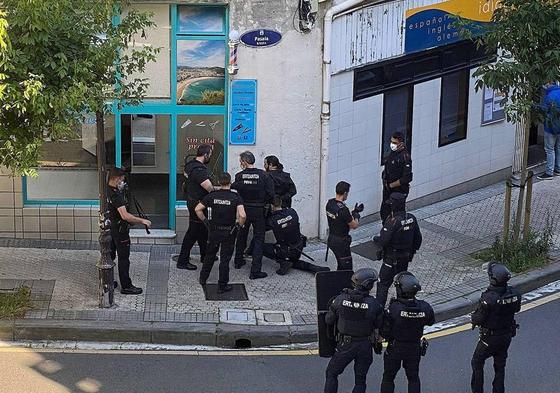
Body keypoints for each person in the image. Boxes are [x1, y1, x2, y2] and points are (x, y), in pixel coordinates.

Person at [324, 268, 384, 393]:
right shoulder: (374, 304)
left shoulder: (340, 299)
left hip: (345, 344)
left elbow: (328, 320)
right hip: (365, 345)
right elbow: (379, 325)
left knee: (331, 373)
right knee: (360, 380)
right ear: (369, 285)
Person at [379, 272, 435, 393]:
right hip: (414, 348)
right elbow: (431, 321)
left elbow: (385, 331)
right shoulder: (425, 307)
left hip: (395, 347)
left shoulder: (394, 309)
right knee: (413, 378)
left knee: (388, 378)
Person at [470, 262, 521, 393]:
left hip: (489, 339)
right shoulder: (514, 294)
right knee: (500, 365)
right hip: (506, 336)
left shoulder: (489, 298)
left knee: (477, 361)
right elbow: (517, 308)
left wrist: (473, 317)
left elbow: (478, 319)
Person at [196, 173, 246, 294]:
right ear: (230, 182)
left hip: (214, 230)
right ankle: (222, 286)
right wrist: (239, 225)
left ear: (218, 182)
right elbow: (243, 215)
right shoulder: (235, 197)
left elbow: (197, 209)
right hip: (229, 231)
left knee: (210, 255)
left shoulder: (212, 196)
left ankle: (203, 279)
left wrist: (205, 221)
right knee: (225, 259)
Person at [107, 167, 152, 295]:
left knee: (109, 256)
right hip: (120, 231)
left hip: (110, 229)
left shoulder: (106, 191)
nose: (123, 183)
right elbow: (125, 215)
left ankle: (108, 280)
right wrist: (142, 221)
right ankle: (126, 286)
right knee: (123, 258)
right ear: (116, 179)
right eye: (121, 180)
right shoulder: (116, 195)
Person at [373, 192, 422, 308]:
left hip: (390, 260)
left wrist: (377, 240)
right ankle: (401, 307)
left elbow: (383, 241)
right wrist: (411, 252)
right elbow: (418, 239)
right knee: (402, 284)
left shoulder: (392, 221)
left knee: (383, 285)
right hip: (404, 259)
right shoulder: (411, 218)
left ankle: (379, 310)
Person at [232, 151, 275, 280]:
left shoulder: (239, 176)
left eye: (241, 161)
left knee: (241, 235)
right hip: (258, 210)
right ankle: (255, 270)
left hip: (244, 209)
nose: (240, 164)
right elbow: (271, 193)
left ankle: (238, 261)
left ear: (245, 161)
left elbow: (236, 190)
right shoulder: (264, 175)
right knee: (258, 239)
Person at [263, 196, 330, 275]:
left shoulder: (272, 220)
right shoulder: (292, 211)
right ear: (281, 203)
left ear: (271, 206)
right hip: (299, 247)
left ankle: (283, 262)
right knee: (293, 261)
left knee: (260, 245)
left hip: (286, 251)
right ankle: (313, 267)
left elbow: (263, 228)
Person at [177, 144, 215, 270]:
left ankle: (205, 256)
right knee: (193, 232)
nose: (210, 156)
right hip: (197, 204)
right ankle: (182, 261)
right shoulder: (199, 170)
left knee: (202, 230)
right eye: (210, 154)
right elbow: (209, 187)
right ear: (205, 155)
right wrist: (220, 190)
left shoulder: (189, 165)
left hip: (192, 200)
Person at [325, 181, 363, 271]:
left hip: (331, 239)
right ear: (345, 193)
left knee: (340, 263)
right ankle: (341, 282)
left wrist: (352, 213)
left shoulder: (329, 204)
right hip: (341, 242)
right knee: (347, 267)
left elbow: (340, 219)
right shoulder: (343, 209)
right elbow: (354, 225)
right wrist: (356, 215)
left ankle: (338, 279)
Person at [380, 132, 412, 223]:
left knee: (397, 215)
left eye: (394, 143)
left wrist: (391, 185)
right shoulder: (393, 153)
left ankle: (396, 233)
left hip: (397, 191)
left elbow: (407, 178)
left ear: (401, 143)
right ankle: (386, 232)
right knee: (385, 212)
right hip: (387, 190)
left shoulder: (405, 157)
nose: (392, 145)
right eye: (391, 142)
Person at [537, 82, 560, 180]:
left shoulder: (549, 96)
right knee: (558, 147)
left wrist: (534, 106)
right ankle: (558, 169)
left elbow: (543, 110)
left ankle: (549, 172)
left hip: (551, 127)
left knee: (549, 149)